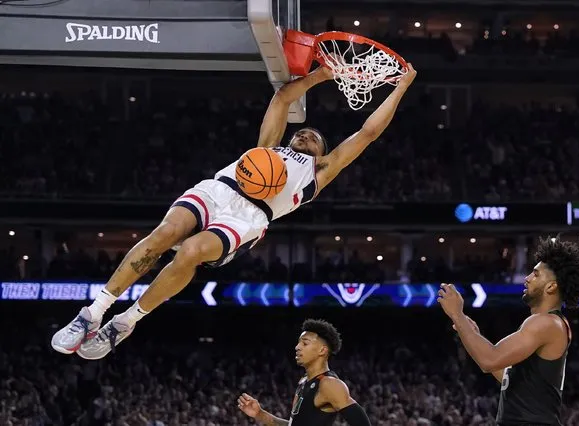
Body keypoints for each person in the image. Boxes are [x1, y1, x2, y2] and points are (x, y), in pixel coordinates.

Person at [50, 63, 417, 359]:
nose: (304, 135)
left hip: (248, 217)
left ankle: (127, 321)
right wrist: (321, 74)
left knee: (191, 253)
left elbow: (368, 132)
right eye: (301, 133)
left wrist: (401, 85)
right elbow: (283, 97)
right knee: (163, 236)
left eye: (313, 137)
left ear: (322, 153)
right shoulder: (268, 147)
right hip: (218, 190)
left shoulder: (319, 172)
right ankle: (92, 313)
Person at [437, 236, 579, 426]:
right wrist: (473, 335)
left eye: (535, 274)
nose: (527, 278)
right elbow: (506, 376)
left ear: (551, 286)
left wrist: (457, 315)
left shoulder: (546, 323)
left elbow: (489, 360)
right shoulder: (547, 323)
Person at [237, 319, 371, 426]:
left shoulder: (329, 384)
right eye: (298, 343)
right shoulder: (304, 381)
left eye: (305, 343)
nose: (297, 347)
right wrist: (260, 414)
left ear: (322, 350)